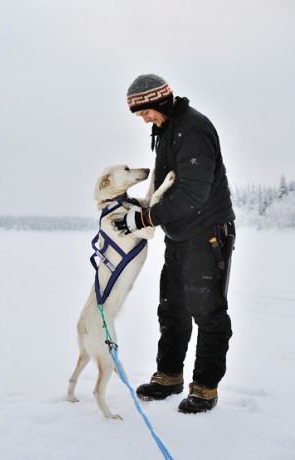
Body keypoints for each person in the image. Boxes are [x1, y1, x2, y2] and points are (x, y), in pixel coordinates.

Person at [113, 74, 235, 414]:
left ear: (160, 101)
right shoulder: (168, 129)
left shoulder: (192, 129)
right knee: (173, 308)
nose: (144, 120)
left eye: (145, 112)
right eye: (140, 116)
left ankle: (205, 387)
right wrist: (138, 206)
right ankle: (169, 376)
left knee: (207, 312)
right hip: (181, 235)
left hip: (207, 233)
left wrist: (145, 219)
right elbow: (166, 188)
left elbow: (194, 194)